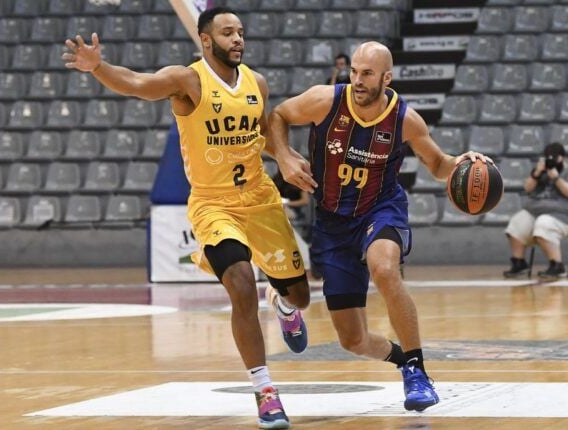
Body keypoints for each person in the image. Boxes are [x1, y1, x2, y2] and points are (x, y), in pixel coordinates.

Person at [63, 7, 310, 429]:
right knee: (241, 283)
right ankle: (265, 390)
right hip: (214, 204)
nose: (238, 39)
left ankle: (285, 305)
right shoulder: (187, 79)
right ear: (207, 40)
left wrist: (284, 155)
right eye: (228, 33)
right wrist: (99, 67)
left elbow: (264, 132)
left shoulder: (257, 84)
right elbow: (139, 85)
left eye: (241, 32)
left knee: (302, 294)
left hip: (260, 200)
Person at [267, 41, 491, 412]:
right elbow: (277, 116)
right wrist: (284, 154)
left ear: (387, 77)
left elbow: (437, 164)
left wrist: (462, 163)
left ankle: (417, 369)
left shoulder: (404, 118)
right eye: (354, 71)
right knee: (352, 340)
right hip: (332, 221)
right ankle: (399, 359)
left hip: (380, 209)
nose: (357, 80)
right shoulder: (324, 100)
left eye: (367, 73)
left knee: (385, 269)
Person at [503, 142, 568, 280]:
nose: (550, 161)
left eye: (553, 158)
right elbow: (528, 189)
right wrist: (537, 173)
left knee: (544, 223)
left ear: (562, 158)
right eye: (547, 158)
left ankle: (557, 266)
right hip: (541, 211)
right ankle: (519, 263)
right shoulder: (542, 172)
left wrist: (556, 178)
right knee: (518, 221)